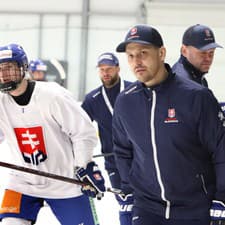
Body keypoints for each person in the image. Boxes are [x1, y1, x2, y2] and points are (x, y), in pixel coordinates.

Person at [112, 24, 225, 225]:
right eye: (130, 56)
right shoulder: (125, 102)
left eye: (143, 53)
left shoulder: (196, 96)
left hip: (194, 208)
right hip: (147, 208)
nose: (136, 61)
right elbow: (123, 150)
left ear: (161, 53)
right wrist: (127, 191)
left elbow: (220, 150)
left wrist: (221, 198)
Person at [0, 43, 106, 225]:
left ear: (23, 67)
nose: (3, 75)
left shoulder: (53, 96)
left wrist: (84, 165)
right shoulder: (1, 102)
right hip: (22, 182)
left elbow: (83, 133)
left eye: (9, 68)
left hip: (65, 183)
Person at [81, 52, 133, 225]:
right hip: (114, 162)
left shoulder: (136, 90)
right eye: (102, 69)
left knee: (144, 205)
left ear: (118, 68)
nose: (105, 73)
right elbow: (77, 129)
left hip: (141, 159)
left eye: (109, 68)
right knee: (125, 204)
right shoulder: (92, 99)